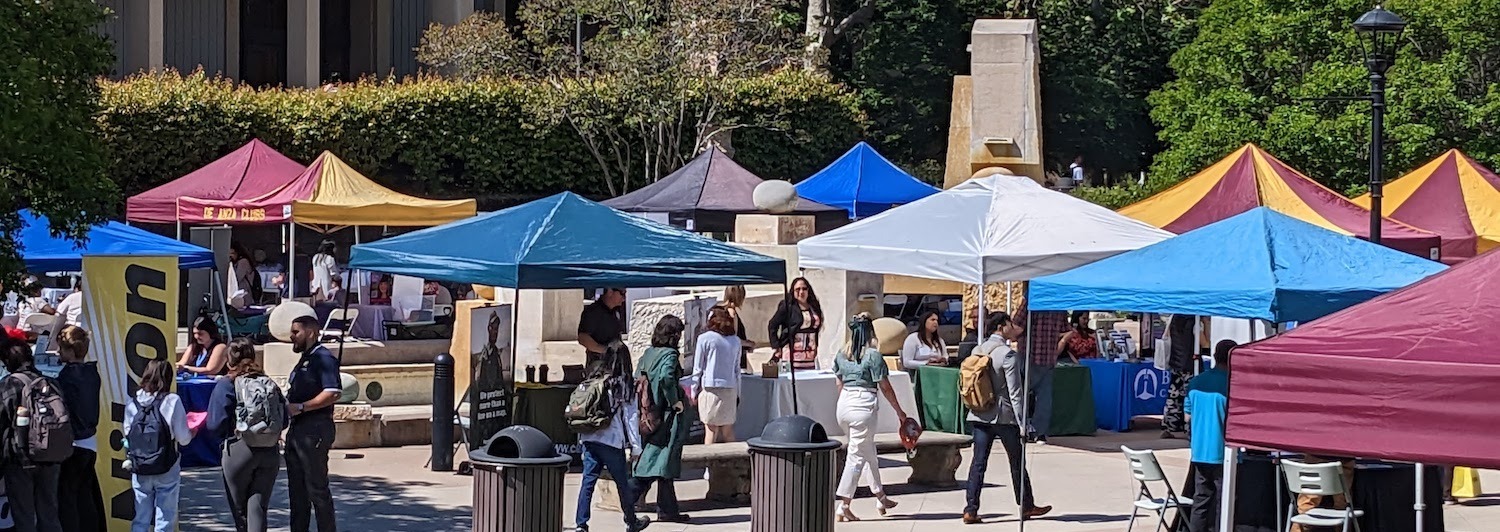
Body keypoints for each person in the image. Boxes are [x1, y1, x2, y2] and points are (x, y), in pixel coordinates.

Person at [963, 312, 1051, 524]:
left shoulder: (978, 349)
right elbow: (1015, 393)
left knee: (978, 463)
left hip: (979, 412)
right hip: (1003, 416)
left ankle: (970, 508)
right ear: (1002, 327)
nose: (1014, 327)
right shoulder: (1008, 355)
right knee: (1017, 461)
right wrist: (1023, 423)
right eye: (1011, 324)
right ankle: (1027, 505)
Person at [833, 314, 912, 522]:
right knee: (856, 456)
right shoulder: (873, 356)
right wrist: (900, 412)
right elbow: (885, 386)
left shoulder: (842, 353)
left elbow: (838, 382)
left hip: (844, 404)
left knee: (866, 450)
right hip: (863, 404)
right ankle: (844, 504)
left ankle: (880, 496)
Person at [207, 338, 284, 532]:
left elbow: (215, 424)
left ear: (228, 361)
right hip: (270, 450)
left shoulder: (226, 384)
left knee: (240, 511)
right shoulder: (268, 382)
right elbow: (285, 417)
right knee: (258, 508)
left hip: (239, 450)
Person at [574, 342, 649, 532]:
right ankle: (631, 521)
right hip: (611, 441)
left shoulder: (595, 378)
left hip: (590, 438)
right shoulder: (623, 384)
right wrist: (636, 447)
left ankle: (581, 524)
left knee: (588, 481)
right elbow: (631, 417)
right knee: (622, 483)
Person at [0, 336, 64, 532]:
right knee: (49, 512)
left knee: (24, 516)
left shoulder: (8, 385)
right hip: (50, 455)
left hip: (19, 459)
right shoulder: (50, 383)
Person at [285, 315, 342, 532]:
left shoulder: (323, 358)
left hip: (314, 430)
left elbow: (332, 392)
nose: (292, 337)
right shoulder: (306, 357)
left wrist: (301, 407)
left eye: (296, 332)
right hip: (298, 430)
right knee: (297, 493)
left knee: (317, 490)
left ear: (310, 332)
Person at [633, 315, 691, 524]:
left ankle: (668, 510)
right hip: (665, 416)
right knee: (657, 460)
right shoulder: (670, 355)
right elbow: (667, 377)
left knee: (663, 462)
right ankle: (629, 497)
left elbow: (637, 377)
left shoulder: (648, 354)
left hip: (648, 415)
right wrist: (675, 401)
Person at [124, 359, 193, 532]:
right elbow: (183, 438)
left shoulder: (132, 402)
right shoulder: (172, 401)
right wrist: (194, 431)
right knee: (165, 517)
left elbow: (127, 433)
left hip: (139, 465)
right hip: (166, 465)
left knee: (140, 517)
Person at [55, 326, 105, 532]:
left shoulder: (67, 377)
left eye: (61, 350)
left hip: (73, 442)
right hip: (90, 442)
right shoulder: (92, 373)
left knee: (67, 498)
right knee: (85, 494)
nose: (58, 353)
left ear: (69, 350)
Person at [1185, 340, 1233, 532]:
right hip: (1224, 454)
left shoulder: (1196, 382)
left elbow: (1187, 417)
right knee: (1225, 502)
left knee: (1200, 500)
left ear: (1214, 356)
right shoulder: (1231, 385)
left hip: (1199, 451)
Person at [692, 306, 742, 445]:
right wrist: (739, 393)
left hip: (710, 389)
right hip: (730, 388)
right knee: (728, 430)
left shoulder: (704, 339)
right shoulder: (736, 341)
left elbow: (698, 368)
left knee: (711, 430)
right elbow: (737, 370)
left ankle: (708, 466)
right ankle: (734, 464)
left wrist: (693, 390)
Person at [1019, 307, 1069, 444]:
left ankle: (1020, 427)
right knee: (1044, 399)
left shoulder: (1031, 299)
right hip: (1048, 357)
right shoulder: (1059, 302)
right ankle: (1039, 432)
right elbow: (1065, 328)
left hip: (1028, 355)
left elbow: (1018, 324)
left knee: (1019, 394)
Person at [767, 277, 823, 370]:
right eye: (798, 289)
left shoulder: (814, 306)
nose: (801, 292)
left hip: (810, 354)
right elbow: (772, 325)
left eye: (804, 289)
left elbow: (816, 329)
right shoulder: (787, 306)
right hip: (792, 353)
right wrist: (776, 346)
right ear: (793, 291)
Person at [1161, 314, 1198, 439]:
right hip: (1191, 363)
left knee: (1174, 396)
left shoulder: (1174, 318)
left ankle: (1170, 426)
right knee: (1190, 396)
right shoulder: (1194, 320)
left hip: (1175, 361)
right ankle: (1189, 428)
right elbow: (1204, 342)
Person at [577, 288, 627, 366]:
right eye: (622, 293)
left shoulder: (615, 312)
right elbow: (583, 338)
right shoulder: (593, 312)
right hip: (599, 365)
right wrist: (605, 351)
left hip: (616, 364)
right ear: (610, 292)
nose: (624, 298)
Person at [720, 286, 756, 370]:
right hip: (733, 360)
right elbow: (734, 340)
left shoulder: (717, 311)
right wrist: (749, 344)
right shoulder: (732, 313)